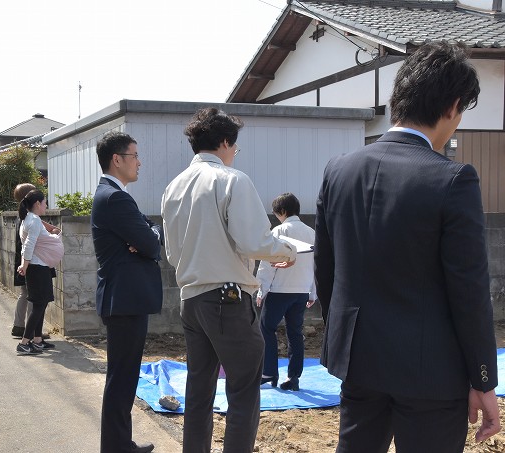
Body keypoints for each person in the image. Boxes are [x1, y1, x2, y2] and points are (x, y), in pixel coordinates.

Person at [314, 41, 501, 453]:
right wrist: (483, 379)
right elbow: (469, 291)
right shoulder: (452, 179)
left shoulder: (339, 171)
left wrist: (343, 339)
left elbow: (326, 271)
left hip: (359, 361)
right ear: (453, 106)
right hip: (431, 373)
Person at [161, 107, 296, 453]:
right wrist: (287, 252)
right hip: (229, 299)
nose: (235, 154)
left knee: (199, 391)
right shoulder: (232, 180)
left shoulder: (173, 187)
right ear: (224, 142)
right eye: (235, 147)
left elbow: (172, 254)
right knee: (243, 391)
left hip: (191, 298)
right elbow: (254, 241)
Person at [91, 131, 164, 453]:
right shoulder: (115, 198)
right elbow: (150, 243)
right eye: (134, 156)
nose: (139, 163)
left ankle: (120, 444)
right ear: (117, 159)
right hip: (124, 299)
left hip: (123, 299)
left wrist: (148, 234)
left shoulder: (114, 196)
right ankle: (117, 447)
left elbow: (149, 233)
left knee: (124, 376)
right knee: (121, 378)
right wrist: (148, 237)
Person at [256, 193, 315, 391]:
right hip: (302, 290)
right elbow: (316, 265)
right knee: (295, 333)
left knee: (267, 328)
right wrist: (313, 292)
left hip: (280, 290)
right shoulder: (311, 233)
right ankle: (294, 377)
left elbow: (268, 263)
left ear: (281, 212)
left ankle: (269, 372)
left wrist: (261, 289)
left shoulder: (278, 231)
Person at [11, 182, 59, 346]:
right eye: (45, 201)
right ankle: (24, 343)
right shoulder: (33, 220)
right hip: (37, 267)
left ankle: (37, 339)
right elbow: (28, 245)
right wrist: (24, 266)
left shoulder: (28, 219)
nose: (46, 205)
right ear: (37, 203)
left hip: (39, 265)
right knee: (38, 305)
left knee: (41, 303)